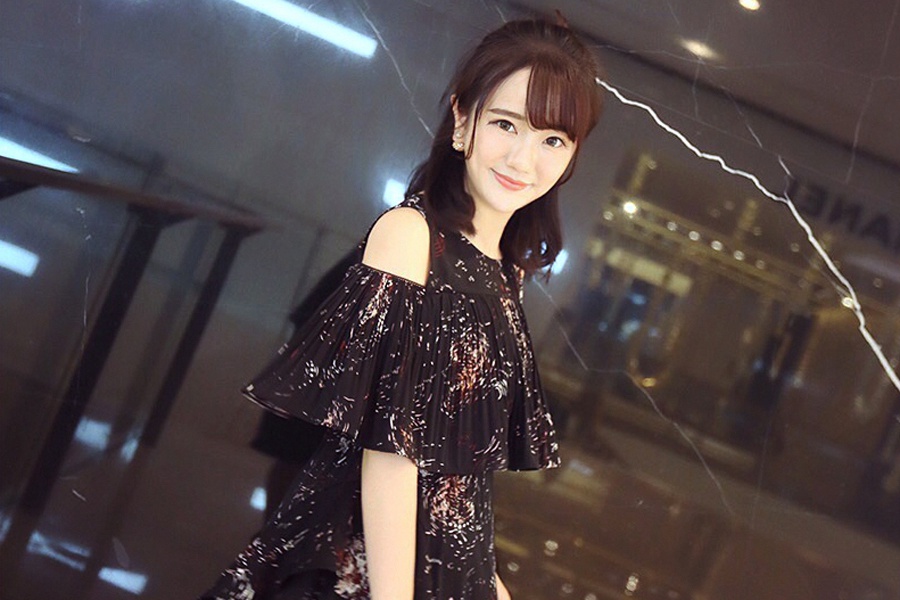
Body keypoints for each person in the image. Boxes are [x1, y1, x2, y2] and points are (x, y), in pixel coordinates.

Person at [200, 15, 603, 600]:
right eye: (505, 124)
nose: (523, 159)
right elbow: (390, 456)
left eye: (552, 140)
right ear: (462, 121)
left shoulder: (506, 270)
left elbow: (462, 480)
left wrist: (488, 584)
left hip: (449, 572)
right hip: (373, 572)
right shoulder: (410, 236)